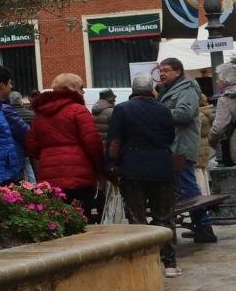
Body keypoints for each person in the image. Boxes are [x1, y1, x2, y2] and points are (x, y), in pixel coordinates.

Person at [109, 72, 180, 277]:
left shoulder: (122, 109)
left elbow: (114, 141)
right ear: (151, 90)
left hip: (133, 167)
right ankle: (170, 263)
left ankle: (145, 262)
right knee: (164, 216)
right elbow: (170, 137)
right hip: (161, 166)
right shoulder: (164, 110)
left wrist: (113, 165)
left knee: (137, 216)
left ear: (133, 91)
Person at [27, 73, 106, 219]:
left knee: (56, 220)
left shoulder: (40, 114)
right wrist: (101, 167)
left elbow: (32, 145)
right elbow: (93, 142)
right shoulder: (78, 110)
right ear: (70, 88)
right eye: (81, 88)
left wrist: (47, 156)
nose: (83, 92)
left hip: (49, 176)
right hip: (80, 175)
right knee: (81, 218)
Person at [157, 58, 216, 243]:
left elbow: (185, 113)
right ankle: (200, 225)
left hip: (181, 147)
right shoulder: (170, 89)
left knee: (186, 184)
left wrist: (159, 112)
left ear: (178, 72)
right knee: (179, 185)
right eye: (161, 70)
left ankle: (205, 227)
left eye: (166, 70)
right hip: (174, 146)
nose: (162, 73)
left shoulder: (186, 89)